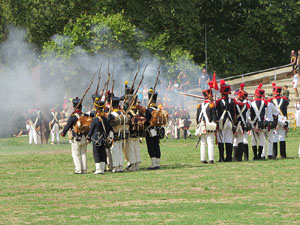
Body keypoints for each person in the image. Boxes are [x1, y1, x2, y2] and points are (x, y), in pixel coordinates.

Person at [61, 97, 89, 174]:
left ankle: (78, 169)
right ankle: (84, 169)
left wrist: (63, 133)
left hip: (76, 137)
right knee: (83, 153)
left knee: (76, 154)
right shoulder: (85, 115)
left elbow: (67, 126)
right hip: (84, 137)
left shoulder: (73, 117)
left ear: (74, 106)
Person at [86, 98, 110, 174]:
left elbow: (91, 129)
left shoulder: (95, 119)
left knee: (96, 154)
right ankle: (102, 169)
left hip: (96, 139)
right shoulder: (105, 119)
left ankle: (98, 169)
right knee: (103, 154)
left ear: (96, 109)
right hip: (103, 139)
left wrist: (88, 137)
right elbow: (108, 129)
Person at [196, 82, 217, 163]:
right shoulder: (211, 105)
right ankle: (211, 159)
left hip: (201, 125)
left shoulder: (199, 106)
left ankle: (203, 159)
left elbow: (197, 118)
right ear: (209, 96)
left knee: (203, 143)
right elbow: (214, 117)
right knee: (210, 142)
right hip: (209, 125)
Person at [216, 80, 235, 162]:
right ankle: (229, 157)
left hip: (222, 122)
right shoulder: (232, 101)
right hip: (230, 122)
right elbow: (234, 113)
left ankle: (221, 158)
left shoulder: (219, 102)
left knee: (221, 139)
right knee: (228, 139)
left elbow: (216, 112)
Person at [232, 83, 251, 161]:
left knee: (233, 141)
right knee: (240, 140)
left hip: (236, 124)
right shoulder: (246, 105)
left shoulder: (235, 104)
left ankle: (235, 157)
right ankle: (239, 157)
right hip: (242, 124)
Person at [249, 84, 268, 160]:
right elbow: (265, 112)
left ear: (256, 94)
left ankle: (255, 156)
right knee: (261, 139)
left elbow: (251, 114)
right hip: (261, 123)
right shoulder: (264, 103)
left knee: (254, 140)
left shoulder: (252, 103)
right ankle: (259, 155)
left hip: (254, 122)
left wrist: (253, 123)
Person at [108, 96, 126, 173]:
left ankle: (116, 167)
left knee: (114, 151)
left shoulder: (111, 114)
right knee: (119, 150)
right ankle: (120, 166)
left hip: (114, 134)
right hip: (121, 134)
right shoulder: (122, 113)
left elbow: (109, 125)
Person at [145, 88, 161, 169]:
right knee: (156, 145)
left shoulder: (149, 110)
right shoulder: (158, 109)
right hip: (158, 130)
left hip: (150, 131)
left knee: (151, 146)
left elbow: (147, 122)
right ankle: (157, 163)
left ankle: (154, 164)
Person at [271, 85, 289, 159]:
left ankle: (274, 155)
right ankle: (283, 155)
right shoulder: (284, 100)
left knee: (274, 137)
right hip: (283, 120)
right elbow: (286, 105)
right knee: (282, 137)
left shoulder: (272, 101)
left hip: (275, 120)